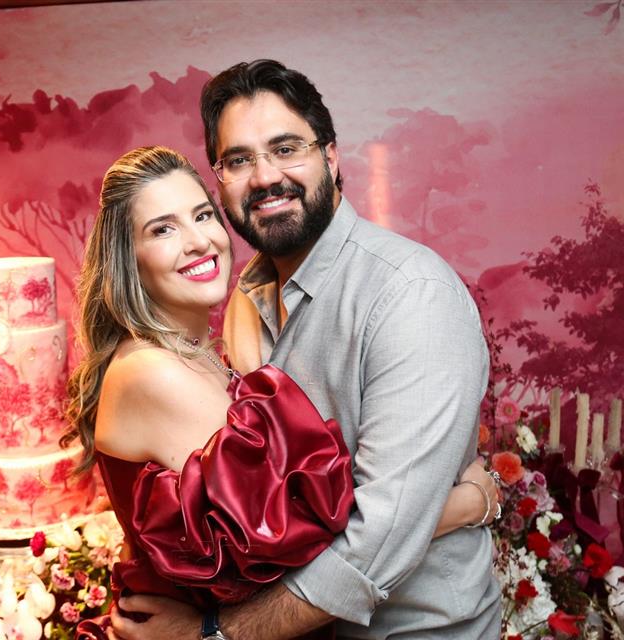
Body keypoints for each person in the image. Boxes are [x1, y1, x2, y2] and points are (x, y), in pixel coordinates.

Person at [108, 61, 501, 640]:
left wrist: (213, 634)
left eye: (286, 148)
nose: (265, 177)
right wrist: (464, 504)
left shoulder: (410, 296)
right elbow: (273, 518)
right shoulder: (244, 301)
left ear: (331, 158)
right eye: (238, 160)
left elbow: (379, 540)